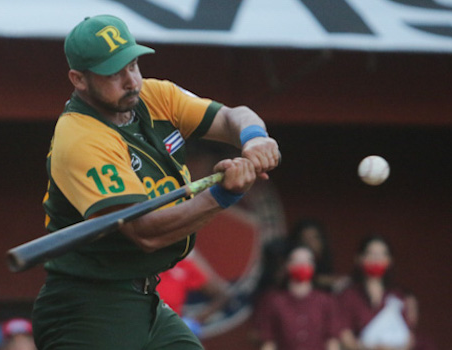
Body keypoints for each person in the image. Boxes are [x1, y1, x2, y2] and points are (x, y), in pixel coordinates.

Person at [31, 14, 280, 350]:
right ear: (79, 79)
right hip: (89, 306)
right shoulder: (81, 137)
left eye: (132, 65)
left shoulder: (154, 95)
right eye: (113, 73)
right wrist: (221, 195)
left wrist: (253, 138)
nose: (131, 80)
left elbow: (231, 115)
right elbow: (145, 232)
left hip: (146, 298)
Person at [253, 246, 342, 350]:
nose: (302, 265)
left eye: (307, 261)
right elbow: (269, 343)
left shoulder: (325, 301)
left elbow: (332, 342)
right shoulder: (275, 302)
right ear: (288, 265)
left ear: (313, 266)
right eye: (297, 261)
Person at [338, 235, 413, 350]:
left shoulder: (397, 296)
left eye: (382, 254)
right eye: (371, 254)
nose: (376, 259)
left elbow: (407, 338)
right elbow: (344, 336)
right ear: (359, 258)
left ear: (389, 261)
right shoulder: (349, 295)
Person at [156, 252, 230, 337]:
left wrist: (194, 321)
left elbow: (222, 294)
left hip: (169, 333)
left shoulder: (181, 265)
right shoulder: (141, 265)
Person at [288, 219, 346, 292]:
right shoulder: (293, 263)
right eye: (306, 239)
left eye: (314, 238)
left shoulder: (325, 260)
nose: (311, 244)